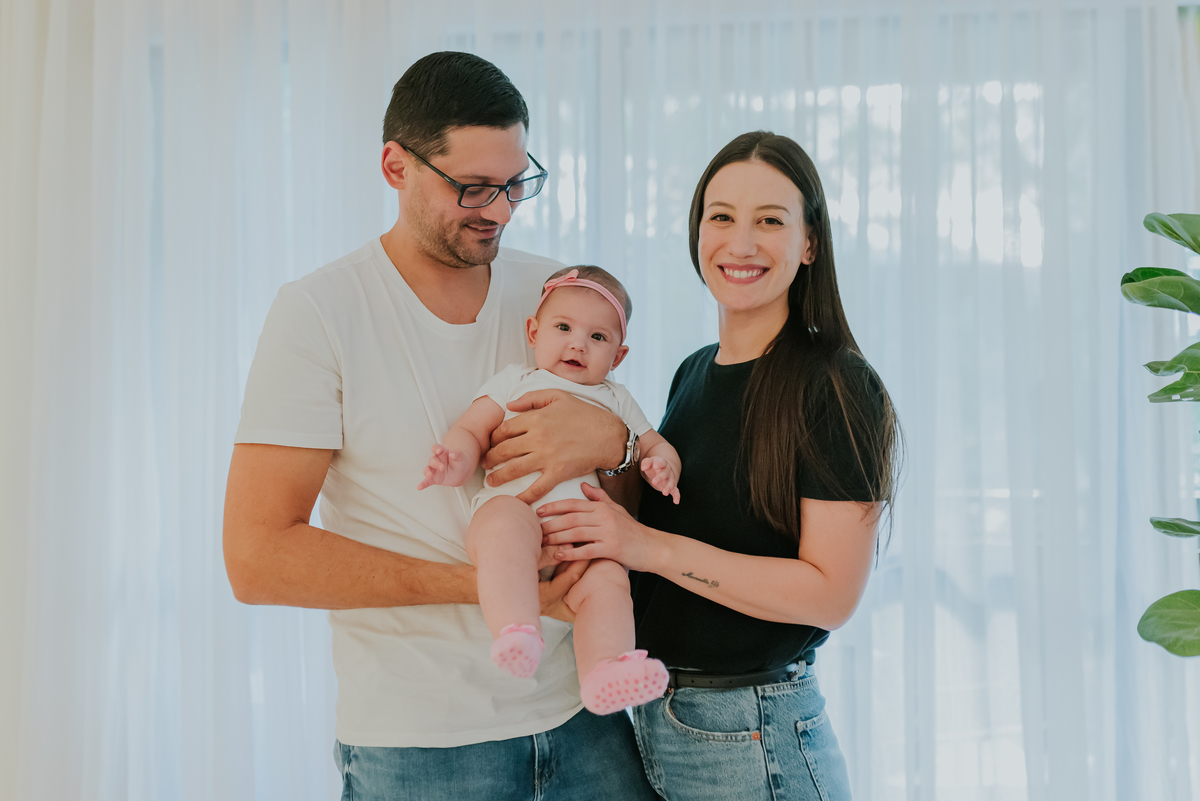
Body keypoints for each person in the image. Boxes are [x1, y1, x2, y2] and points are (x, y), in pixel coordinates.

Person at [222, 52, 659, 800]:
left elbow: (627, 504)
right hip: (420, 747)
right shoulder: (320, 314)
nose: (501, 209)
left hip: (588, 721)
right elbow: (258, 557)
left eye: (516, 182)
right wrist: (491, 584)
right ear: (396, 166)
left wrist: (613, 445)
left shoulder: (559, 295)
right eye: (473, 187)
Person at [538, 131, 902, 800]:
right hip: (656, 718)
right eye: (721, 216)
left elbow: (831, 593)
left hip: (753, 731)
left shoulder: (838, 384)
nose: (740, 243)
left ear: (810, 243)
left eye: (770, 220)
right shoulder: (693, 372)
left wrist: (646, 546)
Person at [417, 265, 679, 714]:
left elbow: (651, 444)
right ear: (533, 332)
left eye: (598, 338)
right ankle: (517, 631)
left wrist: (662, 466)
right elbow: (472, 429)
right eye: (563, 328)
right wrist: (454, 459)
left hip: (581, 532)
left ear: (618, 356)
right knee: (504, 534)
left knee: (609, 581)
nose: (578, 343)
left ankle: (605, 672)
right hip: (514, 507)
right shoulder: (515, 380)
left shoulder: (617, 399)